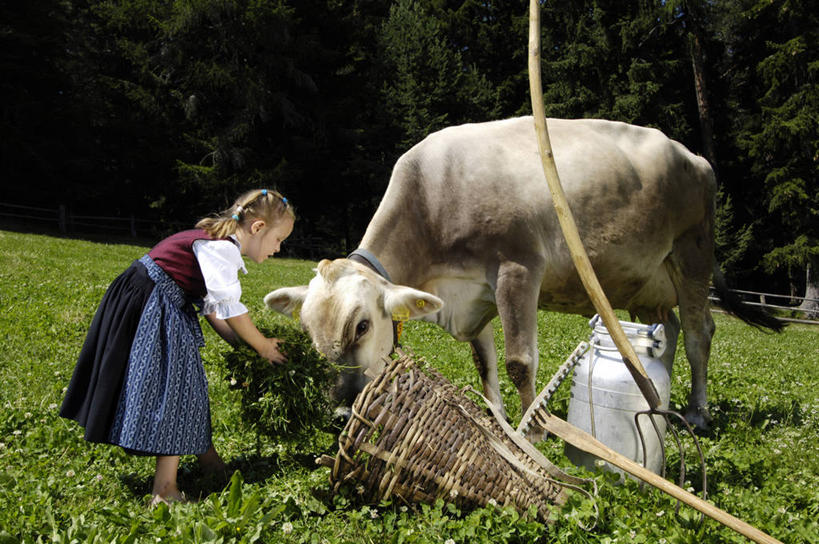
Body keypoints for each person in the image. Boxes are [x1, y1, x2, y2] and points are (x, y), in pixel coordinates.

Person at [59, 188, 295, 506]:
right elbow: (230, 306)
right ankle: (165, 490)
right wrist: (263, 346)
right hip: (153, 304)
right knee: (176, 392)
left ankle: (207, 459)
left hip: (156, 300)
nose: (279, 248)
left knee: (189, 389)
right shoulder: (220, 249)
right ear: (257, 228)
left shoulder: (215, 243)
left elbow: (212, 310)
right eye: (279, 239)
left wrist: (245, 345)